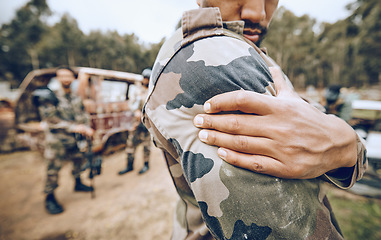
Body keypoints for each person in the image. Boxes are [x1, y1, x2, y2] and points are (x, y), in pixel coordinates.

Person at [142, 1, 367, 239]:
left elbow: (317, 130)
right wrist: (348, 147)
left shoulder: (248, 52)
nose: (257, 12)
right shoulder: (216, 56)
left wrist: (346, 148)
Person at [34, 66, 95, 215]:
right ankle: (50, 197)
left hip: (74, 140)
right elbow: (50, 120)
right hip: (56, 140)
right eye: (62, 76)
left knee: (78, 161)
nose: (65, 79)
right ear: (57, 78)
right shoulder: (49, 97)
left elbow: (83, 114)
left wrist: (87, 127)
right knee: (53, 169)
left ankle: (78, 183)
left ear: (73, 79)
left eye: (68, 76)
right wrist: (75, 127)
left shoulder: (75, 97)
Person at [118, 68, 152, 175]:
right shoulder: (136, 90)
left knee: (146, 144)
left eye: (148, 78)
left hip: (147, 122)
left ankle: (146, 164)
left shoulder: (152, 89)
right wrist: (136, 111)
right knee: (131, 143)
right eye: (145, 78)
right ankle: (129, 165)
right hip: (135, 122)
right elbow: (131, 104)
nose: (146, 80)